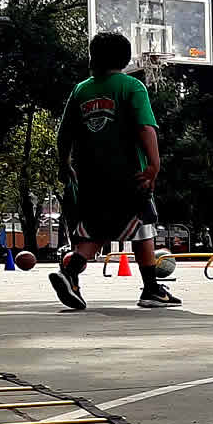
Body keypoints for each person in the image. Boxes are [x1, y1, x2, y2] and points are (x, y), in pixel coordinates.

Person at [48, 32, 180, 309]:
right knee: (143, 226)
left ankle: (69, 273)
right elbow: (146, 127)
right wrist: (155, 164)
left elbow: (64, 135)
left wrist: (64, 164)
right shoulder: (132, 86)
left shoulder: (81, 90)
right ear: (126, 59)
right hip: (129, 174)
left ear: (92, 58)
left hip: (90, 178)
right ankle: (151, 290)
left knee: (96, 229)